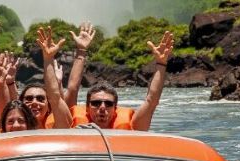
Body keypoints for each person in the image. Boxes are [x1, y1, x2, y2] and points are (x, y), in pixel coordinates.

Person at [39, 26, 174, 130]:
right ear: (87, 108)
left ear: (115, 109)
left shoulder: (133, 126)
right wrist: (48, 59)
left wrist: (161, 64)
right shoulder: (69, 125)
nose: (102, 107)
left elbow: (151, 101)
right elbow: (55, 97)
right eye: (96, 103)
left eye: (108, 104)